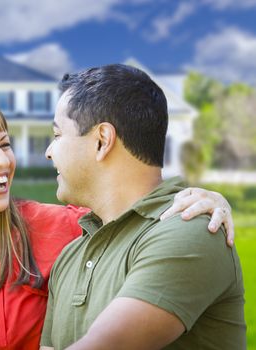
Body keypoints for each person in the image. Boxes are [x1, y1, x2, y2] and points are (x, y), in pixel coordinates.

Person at [0, 95, 235, 350]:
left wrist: (200, 198)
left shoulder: (62, 227)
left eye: (5, 144)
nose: (2, 161)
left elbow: (132, 215)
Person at [41, 64, 246, 349]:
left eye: (57, 135)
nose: (49, 152)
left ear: (102, 140)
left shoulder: (192, 229)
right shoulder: (70, 257)